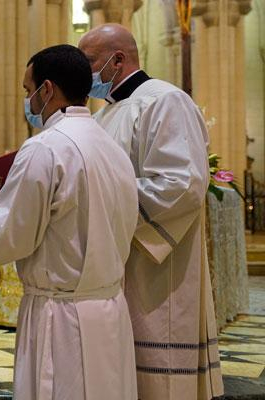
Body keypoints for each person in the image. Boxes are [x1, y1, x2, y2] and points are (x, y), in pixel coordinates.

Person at [0, 45, 140, 399]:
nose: (28, 100)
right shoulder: (111, 146)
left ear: (48, 89)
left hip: (62, 317)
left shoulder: (46, 148)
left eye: (28, 90)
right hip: (110, 310)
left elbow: (12, 232)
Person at [79, 24, 223, 400]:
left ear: (118, 59)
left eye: (90, 62)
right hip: (114, 264)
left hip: (157, 269)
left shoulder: (165, 101)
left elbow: (183, 184)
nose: (85, 72)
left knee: (160, 377)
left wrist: (103, 202)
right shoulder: (100, 116)